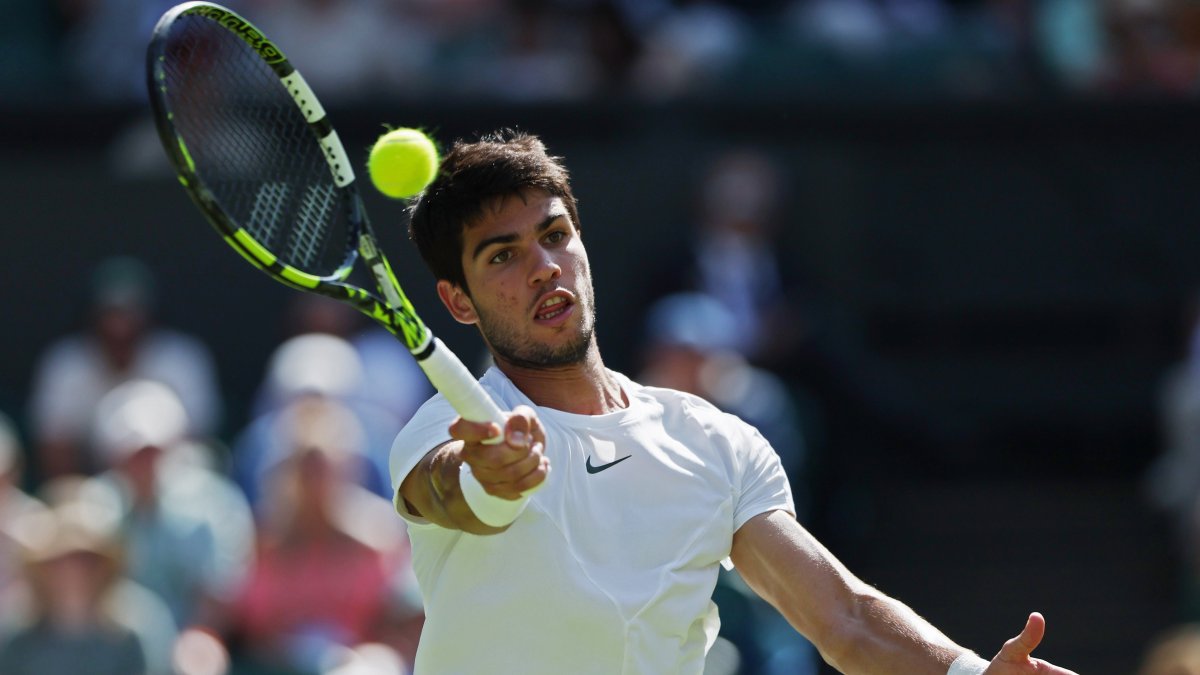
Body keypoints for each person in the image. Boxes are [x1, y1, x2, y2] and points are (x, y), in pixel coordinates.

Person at [388, 129, 1078, 674]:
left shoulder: (713, 440)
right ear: (458, 300)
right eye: (501, 256)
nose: (543, 265)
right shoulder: (439, 435)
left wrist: (969, 673)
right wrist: (490, 478)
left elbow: (844, 619)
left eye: (555, 234)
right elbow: (449, 488)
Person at [28, 256, 222, 479]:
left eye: (130, 313)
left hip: (172, 485)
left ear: (149, 315)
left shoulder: (182, 358)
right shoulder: (65, 363)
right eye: (111, 313)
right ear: (92, 316)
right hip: (93, 489)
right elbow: (55, 451)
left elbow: (197, 440)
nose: (120, 326)